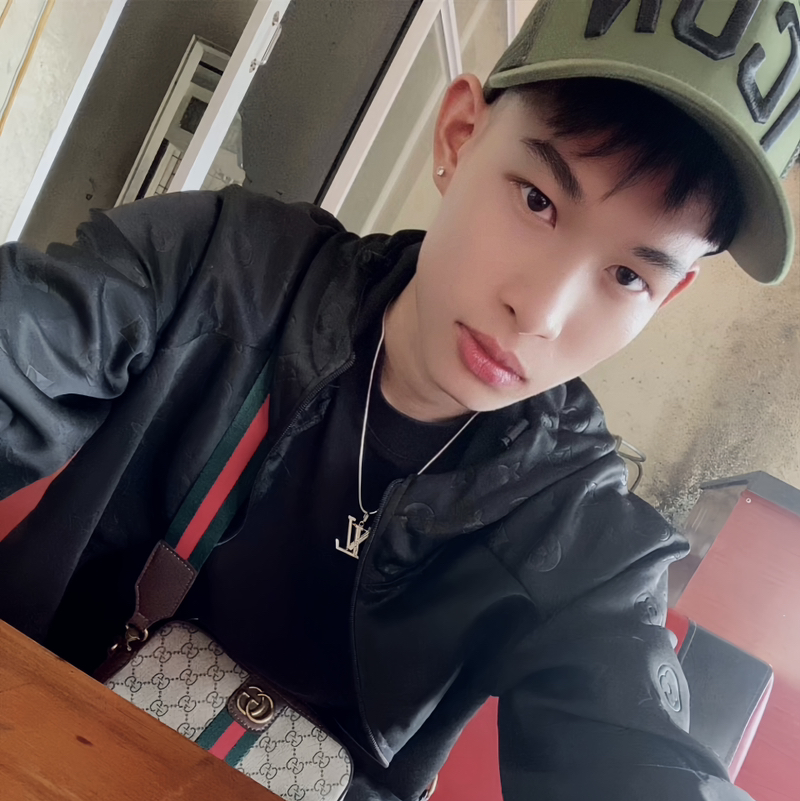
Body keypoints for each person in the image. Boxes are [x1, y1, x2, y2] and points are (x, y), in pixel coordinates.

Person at [1, 0, 796, 799]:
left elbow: (632, 748)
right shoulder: (218, 271)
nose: (540, 312)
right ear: (459, 136)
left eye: (628, 275)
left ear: (668, 296)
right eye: (537, 200)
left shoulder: (581, 532)